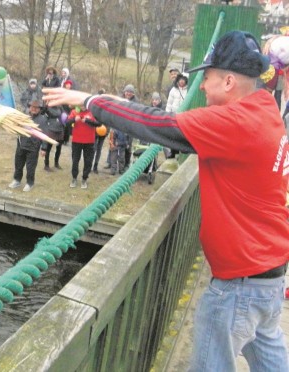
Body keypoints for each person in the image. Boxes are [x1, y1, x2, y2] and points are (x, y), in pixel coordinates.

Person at [42, 30, 289, 371]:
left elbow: (157, 125)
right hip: (270, 273)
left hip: (240, 282)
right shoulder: (264, 108)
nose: (201, 86)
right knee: (270, 355)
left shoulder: (236, 122)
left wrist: (91, 101)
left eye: (209, 78)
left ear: (229, 81)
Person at [9, 99, 45, 192]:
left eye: (36, 108)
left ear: (39, 109)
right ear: (29, 107)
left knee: (30, 167)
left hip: (33, 147)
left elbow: (45, 135)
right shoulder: (24, 117)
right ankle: (17, 180)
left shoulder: (42, 119)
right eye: (32, 107)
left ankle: (30, 183)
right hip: (21, 145)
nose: (34, 109)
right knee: (18, 164)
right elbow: (17, 127)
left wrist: (43, 148)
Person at [65, 106, 96, 189]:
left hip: (89, 141)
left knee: (88, 161)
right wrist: (74, 119)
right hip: (76, 141)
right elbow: (67, 122)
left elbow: (99, 124)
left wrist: (87, 121)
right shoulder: (74, 112)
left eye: (84, 105)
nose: (82, 107)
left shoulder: (92, 112)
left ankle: (84, 179)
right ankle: (74, 178)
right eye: (81, 105)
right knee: (75, 160)